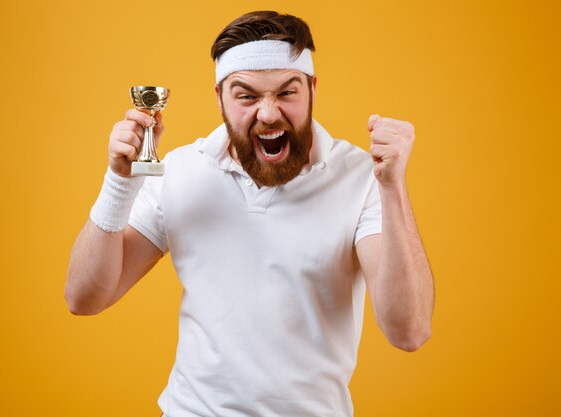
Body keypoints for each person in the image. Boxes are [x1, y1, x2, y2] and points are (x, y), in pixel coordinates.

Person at [65, 10, 435, 417]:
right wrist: (120, 182)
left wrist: (392, 187)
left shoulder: (360, 177)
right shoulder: (181, 171)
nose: (269, 113)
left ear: (312, 89)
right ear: (219, 97)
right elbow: (85, 297)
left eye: (286, 93)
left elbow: (409, 331)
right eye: (247, 96)